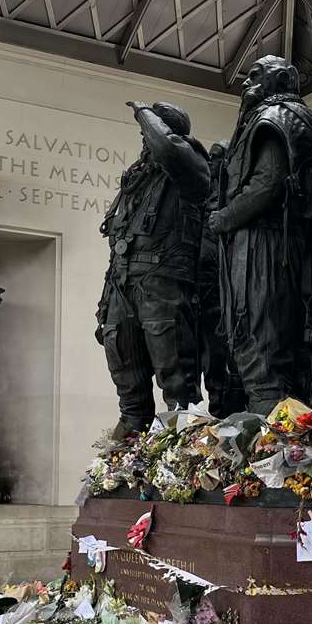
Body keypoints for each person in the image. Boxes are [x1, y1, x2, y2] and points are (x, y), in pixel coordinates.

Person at [208, 56, 312, 415]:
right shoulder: (281, 116)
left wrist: (225, 217)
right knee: (270, 349)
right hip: (270, 244)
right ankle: (285, 444)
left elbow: (267, 184)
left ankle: (274, 452)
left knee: (259, 345)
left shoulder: (277, 117)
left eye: (256, 76)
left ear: (281, 79)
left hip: (264, 245)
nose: (246, 84)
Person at [96, 101, 209, 435]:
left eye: (149, 132)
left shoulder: (187, 162)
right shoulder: (138, 179)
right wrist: (105, 304)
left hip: (163, 286)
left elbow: (170, 151)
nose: (144, 141)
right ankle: (123, 468)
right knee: (128, 388)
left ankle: (184, 461)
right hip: (123, 286)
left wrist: (144, 112)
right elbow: (119, 247)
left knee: (178, 390)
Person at [199, 141, 246, 417]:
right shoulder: (202, 210)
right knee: (213, 370)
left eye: (219, 161)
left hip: (232, 303)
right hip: (206, 301)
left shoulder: (232, 210)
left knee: (232, 370)